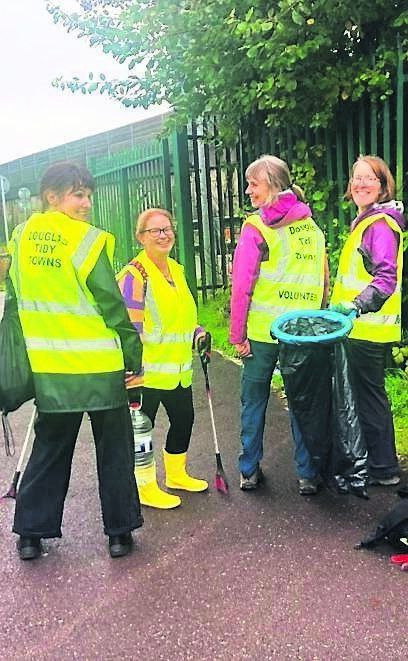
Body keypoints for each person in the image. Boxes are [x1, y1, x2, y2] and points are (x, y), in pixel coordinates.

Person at [7, 161, 144, 560]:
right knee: (114, 451)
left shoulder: (21, 236)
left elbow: (16, 296)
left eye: (88, 195)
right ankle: (119, 533)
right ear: (52, 196)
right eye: (78, 194)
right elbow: (111, 303)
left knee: (50, 450)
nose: (86, 203)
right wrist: (132, 351)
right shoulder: (86, 240)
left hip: (52, 368)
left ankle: (31, 534)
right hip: (99, 365)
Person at [230, 155, 329, 493]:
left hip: (261, 332)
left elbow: (242, 285)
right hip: (302, 332)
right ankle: (307, 474)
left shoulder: (256, 227)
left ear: (271, 185)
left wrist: (237, 333)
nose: (248, 191)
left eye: (253, 184)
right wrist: (319, 323)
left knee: (254, 399)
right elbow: (323, 280)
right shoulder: (311, 227)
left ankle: (249, 469)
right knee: (301, 401)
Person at [117, 207, 210, 509]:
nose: (163, 234)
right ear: (140, 237)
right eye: (155, 230)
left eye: (167, 228)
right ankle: (145, 486)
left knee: (184, 419)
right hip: (146, 374)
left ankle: (176, 475)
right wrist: (130, 374)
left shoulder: (177, 270)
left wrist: (197, 333)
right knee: (142, 431)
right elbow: (127, 331)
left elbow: (181, 317)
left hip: (178, 370)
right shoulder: (133, 276)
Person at [330, 155, 406, 486]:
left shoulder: (379, 226)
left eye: (369, 179)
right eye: (356, 178)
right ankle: (378, 464)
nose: (360, 184)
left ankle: (383, 468)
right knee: (366, 395)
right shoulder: (368, 221)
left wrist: (355, 307)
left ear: (383, 186)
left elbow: (386, 279)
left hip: (365, 327)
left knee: (368, 396)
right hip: (360, 326)